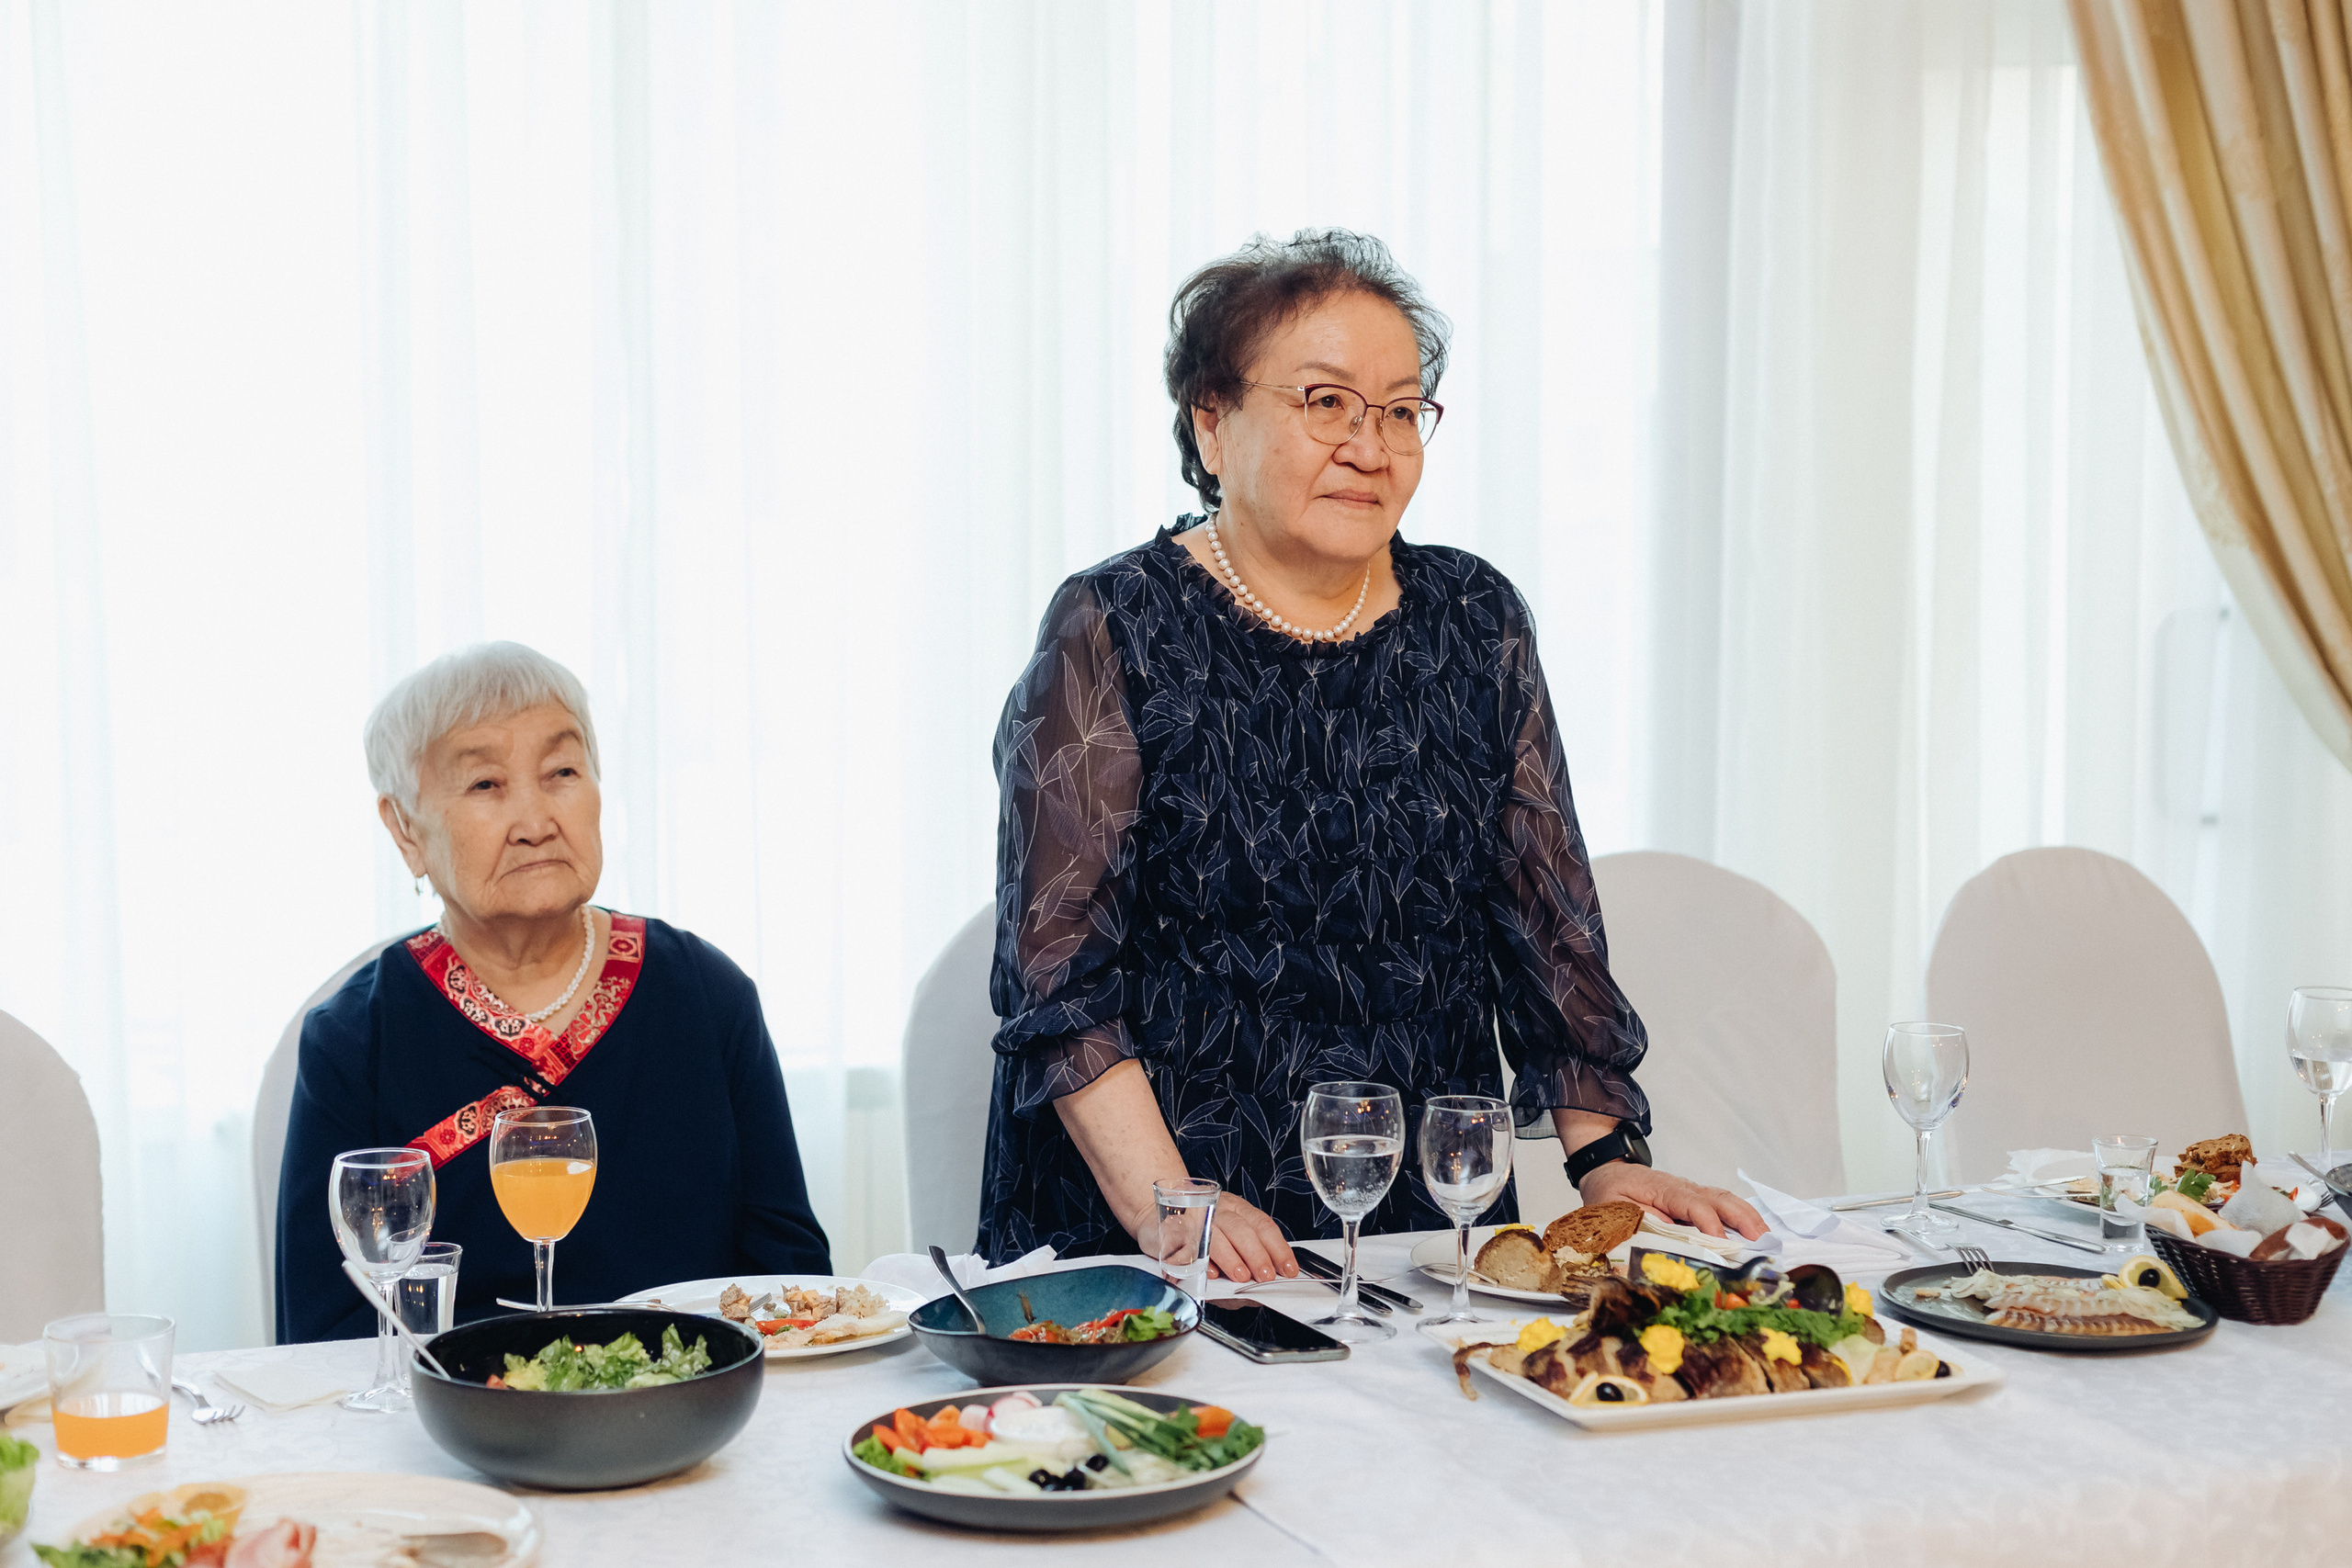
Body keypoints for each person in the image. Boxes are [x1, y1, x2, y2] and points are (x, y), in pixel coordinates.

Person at [978, 231, 1766, 1283]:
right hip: (1163, 1228)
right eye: (1326, 402)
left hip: (1409, 1218)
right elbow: (1057, 973)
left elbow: (1545, 920)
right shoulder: (1114, 622)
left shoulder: (1471, 615)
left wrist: (1607, 1162)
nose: (1371, 444)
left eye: (1401, 410)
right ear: (1212, 423)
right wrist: (1173, 1204)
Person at [275, 641, 828, 1342]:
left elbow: (796, 1283)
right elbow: (322, 1338)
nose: (536, 822)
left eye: (562, 771)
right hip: (453, 1436)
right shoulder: (355, 1041)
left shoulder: (708, 997)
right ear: (405, 829)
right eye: (486, 785)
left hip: (687, 1418)